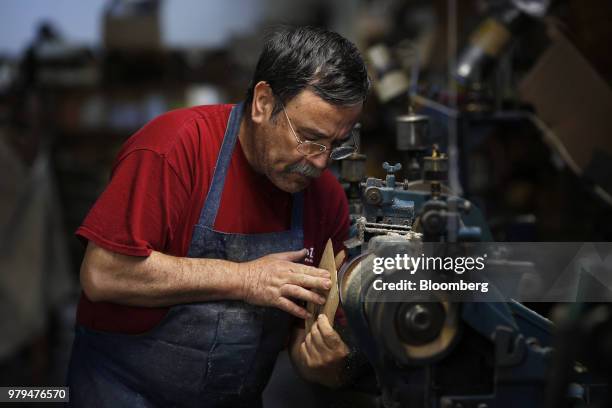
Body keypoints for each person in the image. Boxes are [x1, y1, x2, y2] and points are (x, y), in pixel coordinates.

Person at [66, 25, 370, 407]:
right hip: (122, 391)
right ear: (262, 102)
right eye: (309, 138)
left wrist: (324, 365)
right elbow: (103, 274)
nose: (320, 161)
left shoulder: (324, 199)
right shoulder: (174, 148)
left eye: (336, 145)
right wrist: (245, 279)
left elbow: (302, 333)